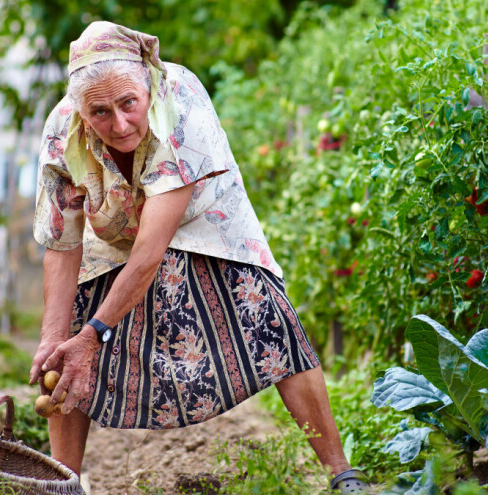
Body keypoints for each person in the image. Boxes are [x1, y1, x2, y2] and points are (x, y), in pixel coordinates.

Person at [28, 21, 370, 494]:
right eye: (101, 112)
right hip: (113, 228)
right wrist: (55, 338)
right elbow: (62, 246)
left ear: (148, 84)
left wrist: (93, 337)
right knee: (65, 349)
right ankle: (64, 483)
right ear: (81, 113)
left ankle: (341, 472)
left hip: (202, 219)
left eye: (129, 104)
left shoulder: (180, 102)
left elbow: (150, 253)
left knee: (272, 320)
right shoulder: (61, 133)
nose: (120, 123)